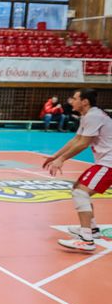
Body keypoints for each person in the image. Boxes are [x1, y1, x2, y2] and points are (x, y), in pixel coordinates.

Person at [44, 88, 111, 252]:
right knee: (78, 188)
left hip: (109, 162)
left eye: (75, 98)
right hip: (105, 161)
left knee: (81, 192)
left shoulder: (94, 116)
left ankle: (86, 239)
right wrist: (56, 156)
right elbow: (77, 139)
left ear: (85, 101)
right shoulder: (88, 115)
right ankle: (92, 230)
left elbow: (83, 143)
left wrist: (62, 160)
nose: (71, 101)